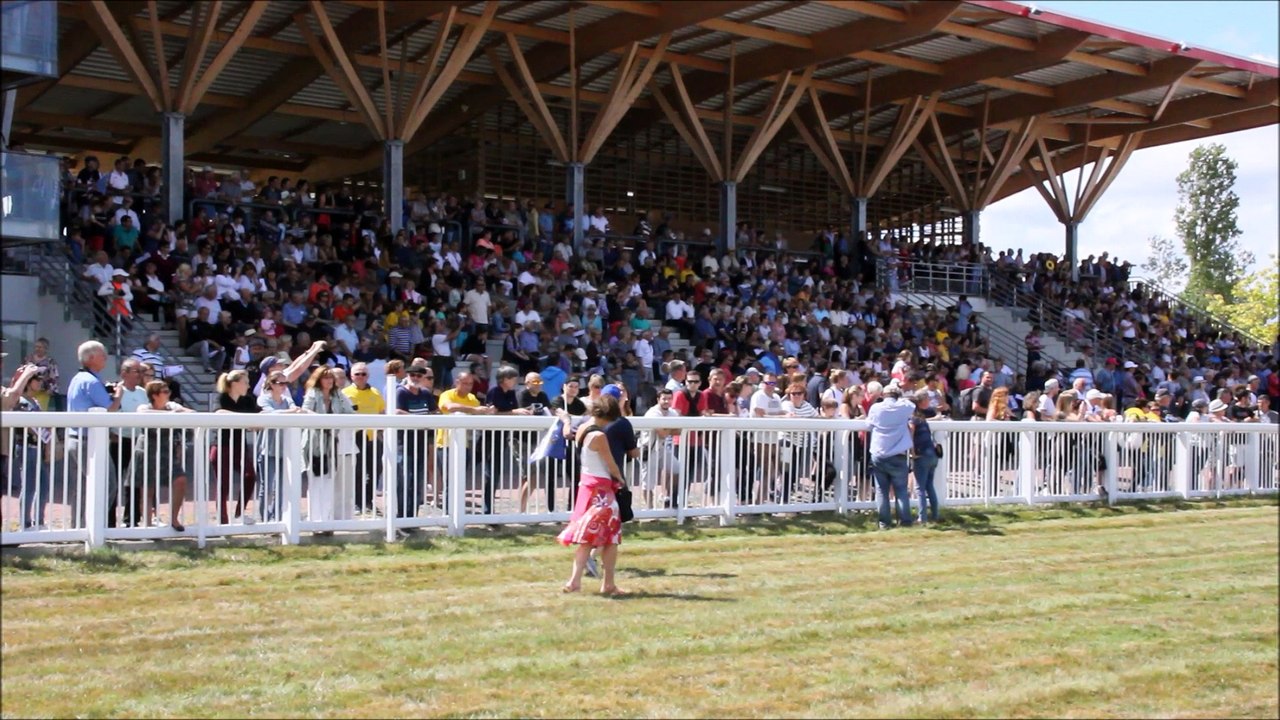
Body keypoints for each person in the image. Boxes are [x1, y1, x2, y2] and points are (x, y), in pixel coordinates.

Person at [558, 395, 627, 596]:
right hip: (602, 490)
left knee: (587, 539)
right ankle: (608, 584)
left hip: (587, 486)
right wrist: (621, 479)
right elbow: (610, 464)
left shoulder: (582, 429)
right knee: (611, 538)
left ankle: (574, 581)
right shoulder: (599, 436)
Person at [65, 341, 124, 528]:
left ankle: (78, 528)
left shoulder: (78, 378)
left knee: (82, 489)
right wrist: (119, 395)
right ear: (90, 359)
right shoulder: (91, 381)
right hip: (88, 442)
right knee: (107, 484)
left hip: (75, 438)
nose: (106, 357)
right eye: (102, 354)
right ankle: (94, 527)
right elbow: (110, 409)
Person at [134, 380, 195, 531]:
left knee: (180, 479)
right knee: (147, 489)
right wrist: (171, 414)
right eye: (165, 392)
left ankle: (174, 519)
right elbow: (142, 414)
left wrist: (175, 412)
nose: (169, 394)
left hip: (167, 450)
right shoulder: (144, 407)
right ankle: (147, 525)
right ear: (154, 395)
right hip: (147, 449)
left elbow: (191, 413)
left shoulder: (172, 406)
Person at [302, 366, 356, 524]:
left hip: (332, 442)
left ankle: (327, 519)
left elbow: (349, 412)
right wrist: (323, 421)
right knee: (315, 480)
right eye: (326, 377)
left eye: (331, 377)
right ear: (319, 380)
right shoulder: (313, 394)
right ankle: (315, 519)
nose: (329, 381)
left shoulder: (338, 394)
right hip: (314, 442)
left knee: (329, 481)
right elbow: (305, 411)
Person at [438, 372, 497, 513]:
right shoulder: (447, 394)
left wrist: (487, 411)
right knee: (450, 479)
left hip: (465, 444)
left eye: (470, 384)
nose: (468, 387)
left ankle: (456, 509)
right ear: (456, 382)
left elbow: (479, 413)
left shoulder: (472, 398)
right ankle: (449, 511)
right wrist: (474, 410)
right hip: (445, 443)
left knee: (459, 478)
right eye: (464, 383)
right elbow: (449, 407)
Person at [212, 369, 260, 525]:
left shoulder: (248, 401)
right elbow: (219, 412)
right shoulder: (222, 398)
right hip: (222, 446)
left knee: (250, 476)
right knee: (223, 484)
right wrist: (245, 420)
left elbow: (259, 415)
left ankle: (240, 513)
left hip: (240, 446)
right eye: (245, 382)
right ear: (235, 383)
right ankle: (223, 520)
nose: (248, 385)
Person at [257, 370, 306, 522]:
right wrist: (290, 412)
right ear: (271, 384)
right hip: (268, 448)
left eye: (286, 383)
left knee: (280, 486)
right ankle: (264, 517)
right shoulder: (264, 399)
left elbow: (296, 410)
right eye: (280, 383)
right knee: (266, 486)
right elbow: (271, 414)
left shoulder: (286, 399)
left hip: (285, 449)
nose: (284, 386)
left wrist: (290, 411)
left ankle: (277, 517)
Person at [867, 385, 915, 530]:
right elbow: (911, 405)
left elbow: (869, 424)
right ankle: (905, 521)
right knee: (901, 489)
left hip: (879, 453)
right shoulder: (904, 407)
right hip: (898, 454)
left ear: (883, 394)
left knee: (882, 490)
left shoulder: (876, 408)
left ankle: (884, 523)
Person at [343, 362, 386, 516]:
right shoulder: (345, 393)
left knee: (375, 470)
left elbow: (382, 411)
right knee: (357, 471)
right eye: (357, 374)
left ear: (368, 376)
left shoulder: (375, 392)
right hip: (355, 437)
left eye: (363, 374)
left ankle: (369, 501)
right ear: (351, 376)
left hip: (373, 437)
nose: (360, 377)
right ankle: (356, 502)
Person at [396, 365, 437, 521]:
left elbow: (434, 411)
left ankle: (412, 517)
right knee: (404, 481)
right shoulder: (401, 392)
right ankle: (401, 516)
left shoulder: (426, 393)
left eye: (419, 376)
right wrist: (421, 420)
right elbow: (397, 411)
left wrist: (426, 420)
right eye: (412, 375)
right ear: (407, 375)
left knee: (418, 482)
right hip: (404, 445)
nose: (415, 378)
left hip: (421, 444)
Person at [910, 390, 941, 525]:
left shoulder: (913, 418)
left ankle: (922, 518)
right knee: (929, 486)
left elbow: (911, 435)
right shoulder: (922, 418)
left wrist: (912, 452)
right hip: (932, 454)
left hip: (922, 453)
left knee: (920, 488)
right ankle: (935, 515)